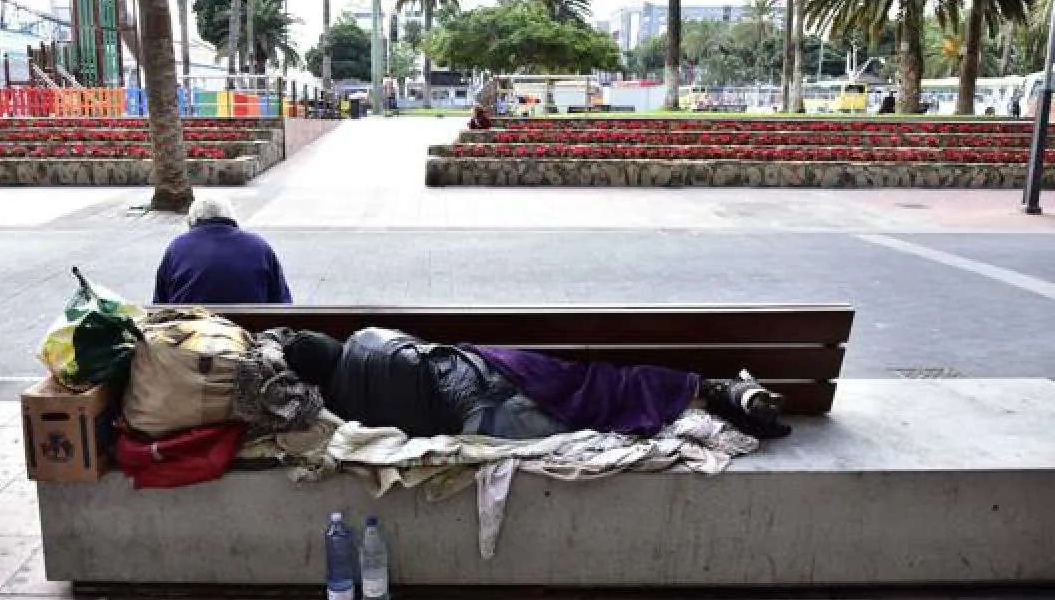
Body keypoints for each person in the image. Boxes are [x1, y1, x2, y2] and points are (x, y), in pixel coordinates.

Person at [281, 327, 789, 441]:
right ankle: (717, 391)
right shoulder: (368, 338)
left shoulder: (343, 405)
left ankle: (716, 401)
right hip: (496, 369)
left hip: (486, 419)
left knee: (603, 418)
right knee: (603, 384)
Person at [153, 198, 292, 305]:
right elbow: (283, 301)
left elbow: (160, 302)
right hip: (249, 334)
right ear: (232, 218)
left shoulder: (177, 247)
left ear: (193, 221)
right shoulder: (260, 246)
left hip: (192, 335)